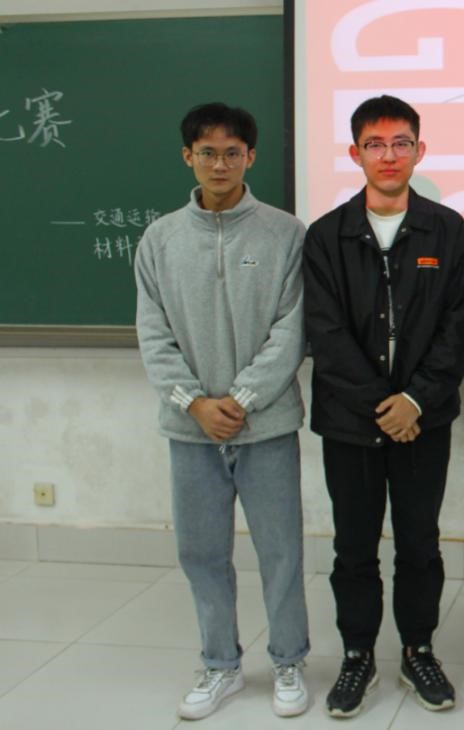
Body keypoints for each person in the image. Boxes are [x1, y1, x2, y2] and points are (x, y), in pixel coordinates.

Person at [302, 94, 464, 718]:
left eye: (401, 143)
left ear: (419, 151)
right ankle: (357, 655)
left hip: (423, 422)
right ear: (355, 153)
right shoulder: (326, 235)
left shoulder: (446, 229)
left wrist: (415, 401)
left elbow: (457, 324)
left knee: (419, 543)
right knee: (353, 546)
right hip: (350, 423)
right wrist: (385, 404)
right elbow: (325, 334)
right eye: (375, 144)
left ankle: (417, 649)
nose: (389, 155)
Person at [135, 102, 310, 720]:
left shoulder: (286, 234)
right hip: (190, 431)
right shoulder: (160, 239)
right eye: (207, 152)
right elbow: (152, 334)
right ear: (188, 157)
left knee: (281, 551)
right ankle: (220, 664)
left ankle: (288, 659)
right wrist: (195, 403)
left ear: (250, 157)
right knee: (201, 553)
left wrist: (241, 400)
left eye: (232, 152)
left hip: (266, 426)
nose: (219, 164)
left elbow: (292, 330)